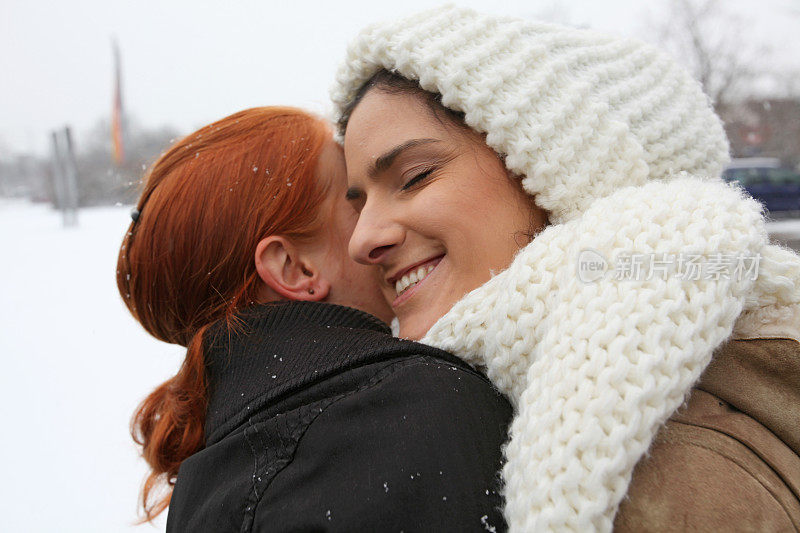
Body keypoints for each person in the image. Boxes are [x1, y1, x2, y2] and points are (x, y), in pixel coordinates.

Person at [332, 6, 800, 532]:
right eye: (359, 203)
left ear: (557, 175)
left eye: (414, 176)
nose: (362, 240)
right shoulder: (508, 401)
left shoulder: (664, 479)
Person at [117, 106, 513, 532]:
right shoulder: (413, 410)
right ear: (294, 268)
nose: (377, 228)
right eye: (355, 201)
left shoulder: (204, 486)